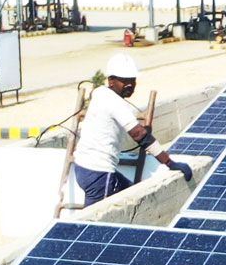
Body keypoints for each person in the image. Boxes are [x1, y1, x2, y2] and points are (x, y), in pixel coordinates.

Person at [72, 53, 192, 206]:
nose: (130, 85)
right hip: (99, 172)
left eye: (132, 80)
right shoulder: (116, 102)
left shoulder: (99, 92)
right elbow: (139, 134)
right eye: (124, 80)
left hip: (83, 167)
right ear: (111, 80)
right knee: (94, 222)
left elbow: (95, 94)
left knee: (135, 198)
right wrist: (169, 163)